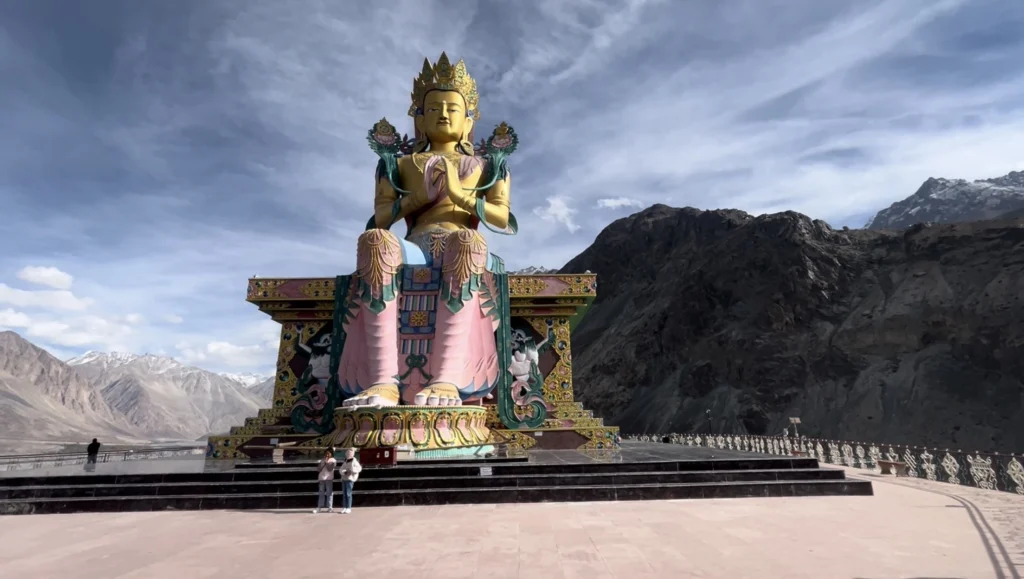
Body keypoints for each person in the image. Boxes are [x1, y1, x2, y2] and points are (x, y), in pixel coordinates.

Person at [313, 449, 337, 514]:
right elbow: (318, 469)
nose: (327, 455)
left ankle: (330, 507)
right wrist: (323, 463)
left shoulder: (333, 461)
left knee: (329, 493)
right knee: (321, 493)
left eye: (328, 453)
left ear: (331, 454)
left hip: (329, 479)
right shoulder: (322, 460)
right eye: (326, 453)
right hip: (321, 478)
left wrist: (326, 463)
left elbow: (330, 469)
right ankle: (319, 507)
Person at [339, 448, 362, 514]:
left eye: (349, 453)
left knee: (348, 494)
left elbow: (359, 469)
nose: (348, 455)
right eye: (347, 453)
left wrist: (352, 470)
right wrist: (344, 472)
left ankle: (349, 507)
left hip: (350, 479)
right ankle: (344, 507)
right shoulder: (345, 461)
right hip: (344, 478)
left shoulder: (354, 461)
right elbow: (341, 469)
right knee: (344, 494)